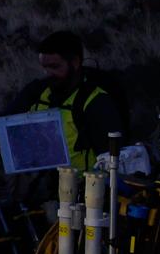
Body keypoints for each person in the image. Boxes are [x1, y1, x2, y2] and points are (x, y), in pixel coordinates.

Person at [7, 31, 122, 172]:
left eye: (54, 67)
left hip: (80, 187)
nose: (47, 73)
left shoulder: (96, 102)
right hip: (37, 185)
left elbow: (110, 161)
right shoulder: (36, 92)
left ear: (75, 62)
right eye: (44, 67)